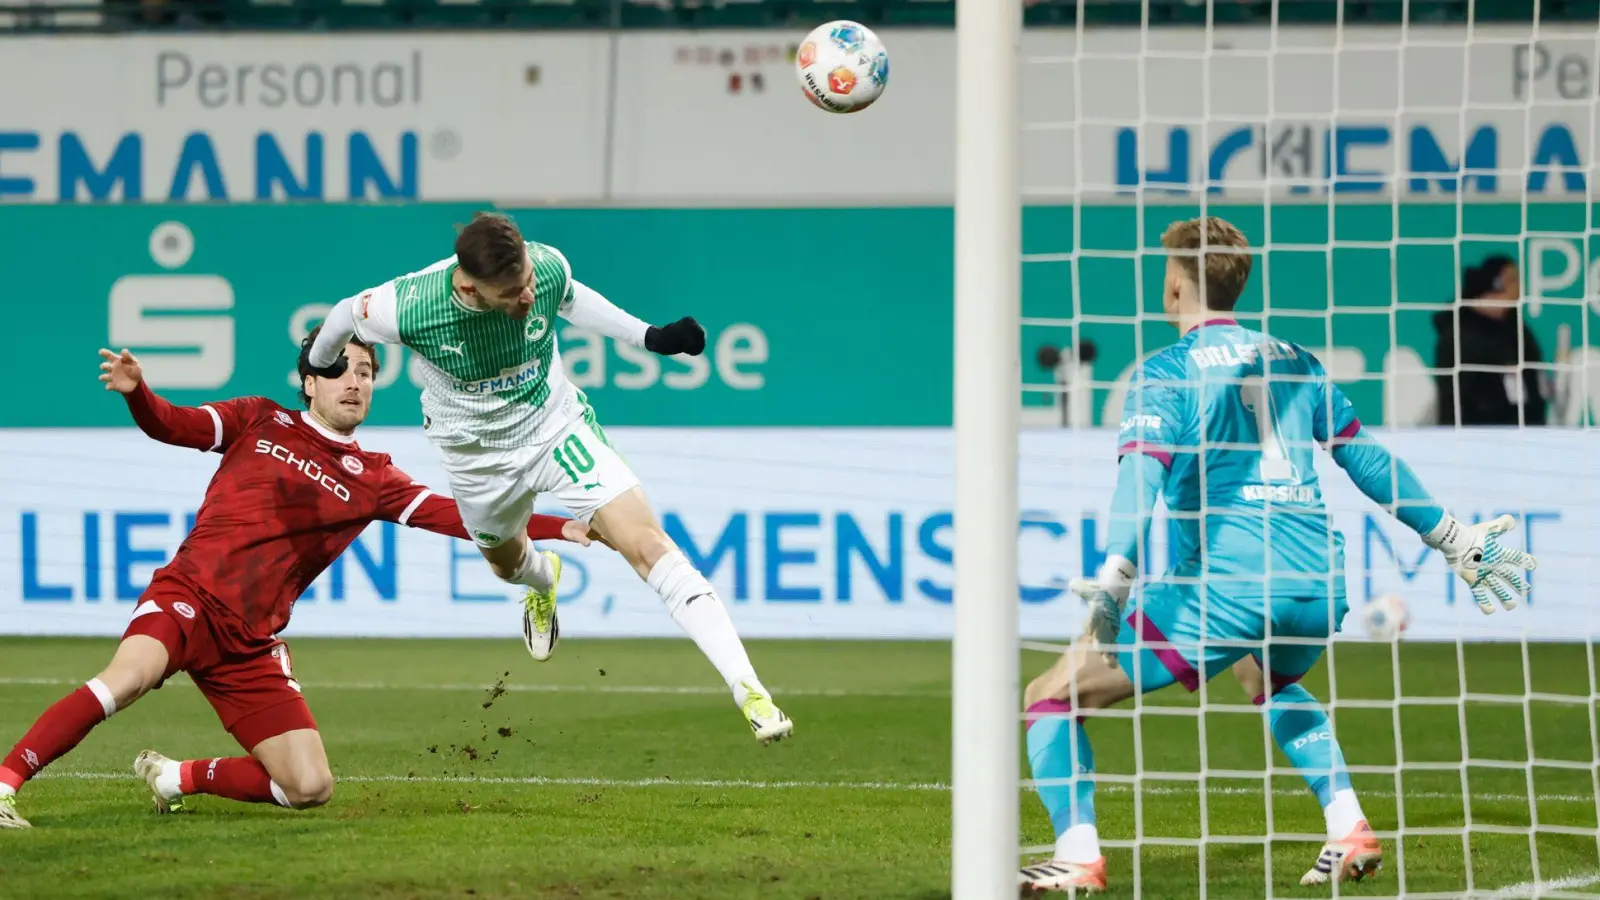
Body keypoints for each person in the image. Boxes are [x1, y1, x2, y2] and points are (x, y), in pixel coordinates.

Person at [1017, 217, 1537, 893]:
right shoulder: (1295, 358)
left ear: (1175, 285)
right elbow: (1365, 459)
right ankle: (1347, 825)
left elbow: (1139, 480)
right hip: (1317, 582)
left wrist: (1117, 576)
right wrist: (1455, 539)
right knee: (1264, 676)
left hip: (1232, 585)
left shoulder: (1165, 373)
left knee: (1048, 697)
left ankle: (1078, 853)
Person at [0, 333, 595, 829]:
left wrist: (557, 527)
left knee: (309, 786)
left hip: (249, 644)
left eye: (365, 371)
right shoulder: (259, 418)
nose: (355, 380)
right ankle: (5, 785)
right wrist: (139, 395)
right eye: (338, 370)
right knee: (123, 682)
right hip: (189, 596)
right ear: (309, 382)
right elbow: (173, 426)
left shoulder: (375, 477)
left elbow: (461, 517)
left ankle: (174, 776)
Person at [304, 211, 790, 744]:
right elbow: (345, 314)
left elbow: (575, 300)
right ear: (469, 286)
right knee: (505, 563)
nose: (527, 298)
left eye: (528, 282)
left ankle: (751, 691)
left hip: (555, 428)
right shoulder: (411, 306)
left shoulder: (546, 268)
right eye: (511, 293)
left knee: (648, 545)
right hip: (476, 456)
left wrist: (652, 338)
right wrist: (322, 359)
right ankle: (542, 580)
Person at [1433, 254, 1549, 426]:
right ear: (1495, 284)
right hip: (1478, 434)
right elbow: (1457, 398)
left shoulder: (1516, 329)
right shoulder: (1461, 333)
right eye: (1513, 280)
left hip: (1523, 432)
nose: (1520, 287)